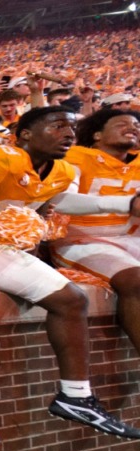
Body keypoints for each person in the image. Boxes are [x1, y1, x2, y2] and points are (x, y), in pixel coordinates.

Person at [0, 106, 140, 445]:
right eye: (57, 125)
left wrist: (124, 205)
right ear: (24, 135)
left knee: (71, 299)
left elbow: (61, 200)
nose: (68, 132)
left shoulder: (61, 169)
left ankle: (75, 396)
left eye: (71, 126)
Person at [49, 108, 140, 354]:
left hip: (131, 239)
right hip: (81, 240)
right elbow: (62, 199)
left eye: (136, 125)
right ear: (97, 134)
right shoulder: (78, 156)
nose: (133, 127)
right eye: (122, 123)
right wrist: (126, 204)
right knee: (134, 280)